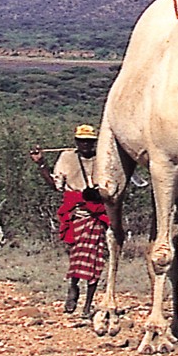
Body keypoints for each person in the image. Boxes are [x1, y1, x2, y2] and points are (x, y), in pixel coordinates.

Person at [34, 126, 108, 316]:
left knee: (95, 261)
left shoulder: (104, 158)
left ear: (95, 142)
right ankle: (73, 287)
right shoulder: (67, 158)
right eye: (82, 140)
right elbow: (56, 185)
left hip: (97, 215)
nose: (85, 144)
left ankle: (87, 304)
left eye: (89, 141)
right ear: (76, 141)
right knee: (77, 257)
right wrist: (41, 164)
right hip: (77, 214)